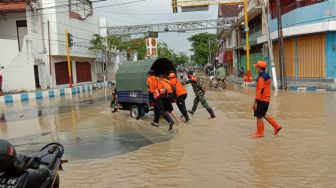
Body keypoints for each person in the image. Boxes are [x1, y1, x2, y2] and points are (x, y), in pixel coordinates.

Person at [252, 61, 282, 138]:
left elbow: (260, 90)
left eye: (256, 67)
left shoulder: (261, 78)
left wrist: (255, 102)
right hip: (266, 99)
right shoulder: (267, 76)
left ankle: (260, 133)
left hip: (261, 100)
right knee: (263, 115)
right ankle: (276, 126)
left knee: (259, 116)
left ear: (259, 68)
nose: (256, 68)